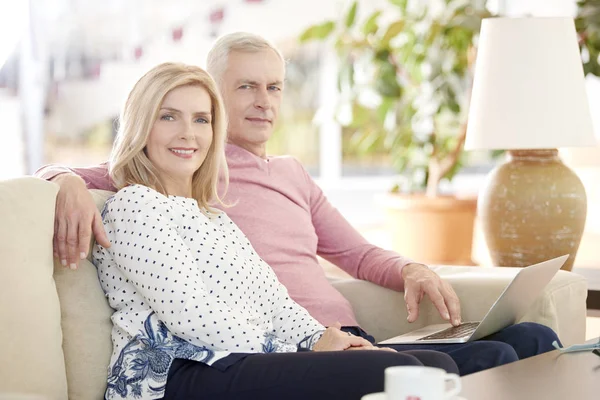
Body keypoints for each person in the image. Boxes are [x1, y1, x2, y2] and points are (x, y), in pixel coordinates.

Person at [36, 32, 560, 376]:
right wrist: (61, 178)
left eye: (275, 87)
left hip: (337, 334)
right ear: (216, 93)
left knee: (534, 337)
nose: (264, 101)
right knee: (491, 359)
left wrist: (412, 269)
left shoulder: (280, 177)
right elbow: (117, 170)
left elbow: (354, 253)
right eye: (246, 87)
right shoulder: (190, 167)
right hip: (274, 351)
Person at [93, 61, 459, 400]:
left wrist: (321, 338)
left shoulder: (216, 219)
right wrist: (305, 350)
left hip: (239, 360)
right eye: (168, 117)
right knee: (396, 370)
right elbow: (194, 318)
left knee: (437, 367)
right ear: (142, 126)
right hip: (174, 377)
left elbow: (277, 304)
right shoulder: (134, 206)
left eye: (201, 120)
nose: (188, 133)